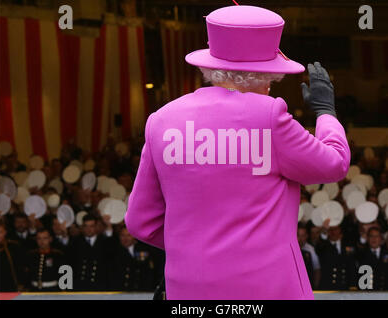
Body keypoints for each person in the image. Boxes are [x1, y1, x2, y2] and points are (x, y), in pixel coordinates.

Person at [125, 5, 350, 299]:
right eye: (270, 77)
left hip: (189, 288)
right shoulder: (269, 115)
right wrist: (326, 113)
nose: (271, 86)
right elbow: (334, 164)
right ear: (256, 74)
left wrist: (196, 248)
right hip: (267, 287)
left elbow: (140, 221)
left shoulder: (161, 120)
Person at [68, 214, 114, 291]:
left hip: (99, 286)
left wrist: (109, 226)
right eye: (86, 226)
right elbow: (70, 264)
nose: (88, 229)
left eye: (91, 226)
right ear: (82, 227)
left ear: (96, 227)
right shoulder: (75, 242)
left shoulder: (104, 242)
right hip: (79, 286)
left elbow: (112, 253)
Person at [109, 226, 156, 291]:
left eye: (128, 235)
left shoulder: (143, 249)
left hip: (141, 290)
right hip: (120, 291)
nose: (125, 239)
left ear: (134, 237)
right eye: (122, 235)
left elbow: (148, 272)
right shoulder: (114, 251)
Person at [316, 220, 357, 290]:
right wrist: (324, 231)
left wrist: (353, 285)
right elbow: (320, 246)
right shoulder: (324, 246)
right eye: (330, 229)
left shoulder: (347, 245)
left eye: (335, 229)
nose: (333, 232)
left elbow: (352, 267)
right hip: (327, 288)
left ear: (340, 230)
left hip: (345, 287)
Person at [0, 219, 24, 292]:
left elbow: (20, 268)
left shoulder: (13, 247)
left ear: (5, 232)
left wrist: (21, 284)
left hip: (10, 287)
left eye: (0, 232)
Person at [298, 224, 321, 288]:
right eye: (298, 235)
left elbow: (317, 269)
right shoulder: (290, 248)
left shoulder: (310, 249)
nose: (300, 239)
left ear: (307, 236)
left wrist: (315, 287)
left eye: (302, 236)